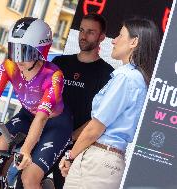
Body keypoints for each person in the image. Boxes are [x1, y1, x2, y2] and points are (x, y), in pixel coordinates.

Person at [0, 17, 73, 188]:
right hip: (27, 115)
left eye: (24, 53)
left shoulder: (53, 76)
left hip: (55, 124)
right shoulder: (9, 66)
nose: (18, 60)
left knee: (28, 178)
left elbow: (41, 118)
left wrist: (25, 150)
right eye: (14, 51)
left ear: (40, 52)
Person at [59, 18, 161, 189]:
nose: (113, 40)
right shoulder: (139, 78)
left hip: (98, 160)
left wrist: (70, 156)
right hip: (109, 160)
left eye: (120, 35)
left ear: (134, 42)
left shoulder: (125, 78)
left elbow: (95, 128)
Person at [49, 13, 114, 189]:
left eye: (91, 32)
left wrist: (72, 138)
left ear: (102, 37)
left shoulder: (108, 74)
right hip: (46, 136)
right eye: (82, 30)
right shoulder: (60, 62)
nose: (84, 36)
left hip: (75, 147)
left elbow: (100, 118)